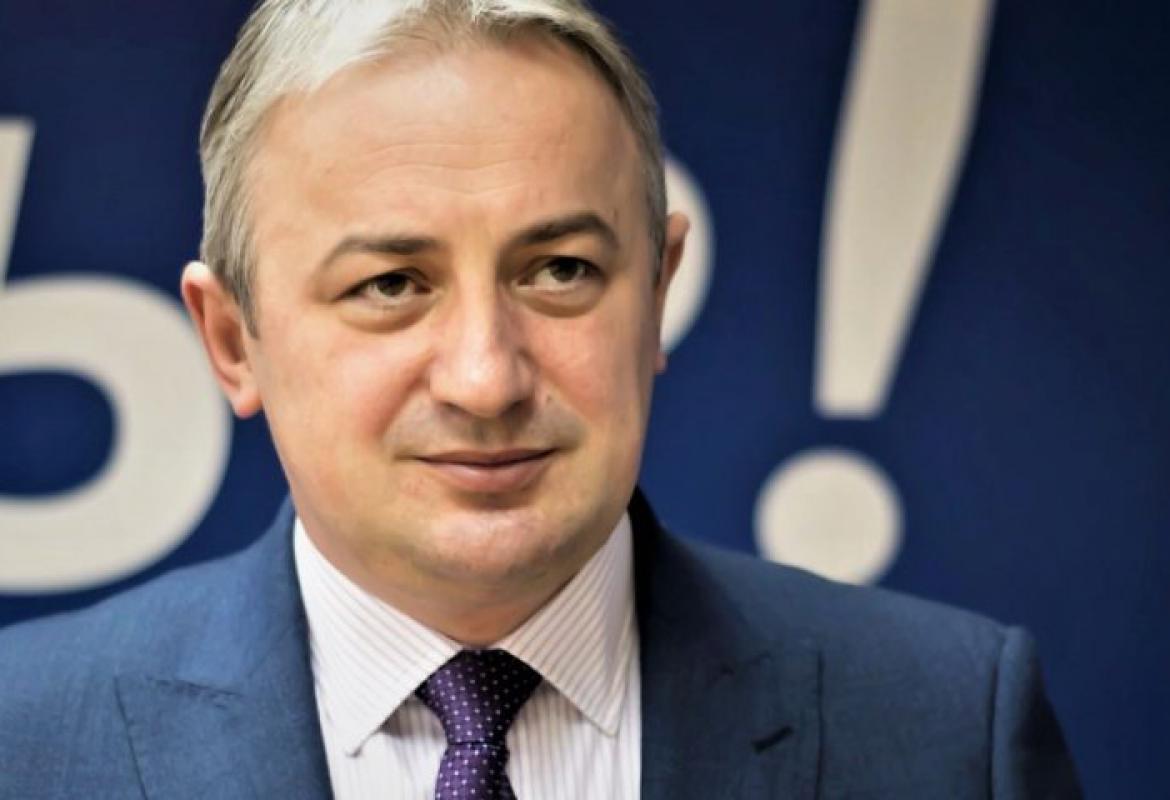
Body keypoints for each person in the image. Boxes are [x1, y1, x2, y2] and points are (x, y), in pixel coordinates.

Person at [0, 1, 1081, 797]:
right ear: (234, 341)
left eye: (560, 270)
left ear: (656, 296)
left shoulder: (949, 731)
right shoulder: (23, 741)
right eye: (392, 285)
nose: (486, 377)